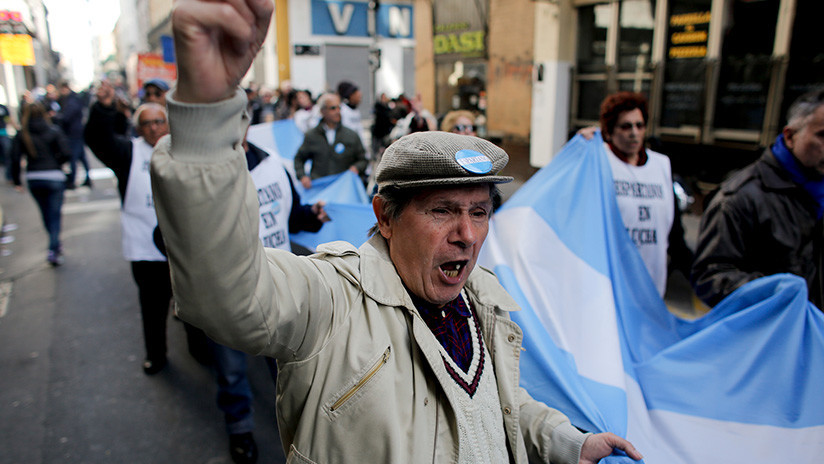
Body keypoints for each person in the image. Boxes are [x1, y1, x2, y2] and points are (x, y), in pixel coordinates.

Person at [151, 2, 644, 463]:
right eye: (442, 211)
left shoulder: (483, 301)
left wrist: (568, 442)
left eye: (480, 212)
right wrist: (206, 116)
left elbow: (502, 405)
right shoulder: (332, 302)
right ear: (385, 217)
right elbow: (228, 295)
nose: (468, 235)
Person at [207, 131, 329, 464]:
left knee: (288, 361)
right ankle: (240, 430)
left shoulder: (275, 165)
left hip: (279, 285)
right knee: (232, 369)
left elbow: (291, 215)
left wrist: (312, 217)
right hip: (228, 292)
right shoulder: (203, 174)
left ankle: (302, 431)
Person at [84, 84, 209, 374]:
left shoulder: (186, 149)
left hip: (186, 249)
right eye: (146, 123)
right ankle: (156, 355)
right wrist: (103, 108)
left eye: (159, 121)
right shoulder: (126, 153)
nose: (154, 128)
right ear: (138, 129)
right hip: (146, 250)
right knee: (153, 309)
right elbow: (97, 139)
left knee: (194, 307)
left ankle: (200, 351)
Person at [692, 88, 824, 308]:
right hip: (767, 336)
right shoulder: (739, 198)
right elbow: (709, 278)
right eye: (822, 135)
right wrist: (772, 291)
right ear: (791, 136)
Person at [579, 92, 692, 297]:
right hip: (609, 286)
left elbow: (674, 232)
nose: (634, 133)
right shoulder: (598, 161)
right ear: (610, 131)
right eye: (625, 126)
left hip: (650, 286)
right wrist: (578, 146)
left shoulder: (661, 166)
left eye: (639, 125)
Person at [10, 101, 70, 266]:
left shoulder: (23, 134)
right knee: (54, 215)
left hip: (34, 178)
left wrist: (17, 181)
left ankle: (54, 245)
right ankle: (53, 247)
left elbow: (15, 159)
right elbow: (66, 153)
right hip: (54, 176)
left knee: (46, 214)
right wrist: (56, 163)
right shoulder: (53, 130)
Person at [293, 92, 367, 189]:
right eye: (333, 108)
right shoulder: (312, 136)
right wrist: (302, 176)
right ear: (322, 111)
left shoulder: (351, 135)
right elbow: (299, 159)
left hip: (344, 189)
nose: (337, 111)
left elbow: (363, 159)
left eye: (339, 108)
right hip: (320, 190)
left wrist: (356, 168)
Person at [58, 81, 93, 189]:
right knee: (81, 156)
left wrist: (57, 117)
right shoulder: (73, 99)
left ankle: (73, 180)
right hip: (76, 131)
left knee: (74, 157)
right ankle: (87, 178)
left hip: (74, 133)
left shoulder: (72, 100)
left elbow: (67, 117)